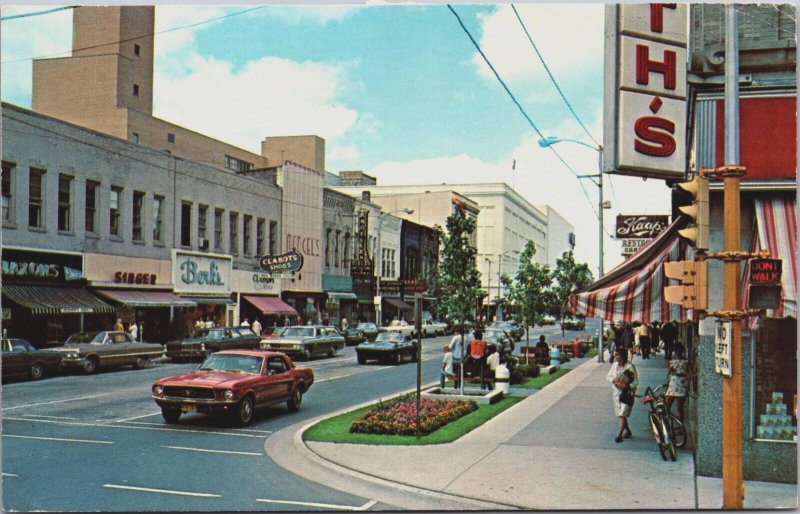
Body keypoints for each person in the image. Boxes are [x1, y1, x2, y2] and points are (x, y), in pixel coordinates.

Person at [606, 349, 638, 443]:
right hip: (616, 393)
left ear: (622, 356)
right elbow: (608, 376)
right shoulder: (615, 366)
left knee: (622, 413)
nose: (615, 356)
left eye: (617, 354)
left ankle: (619, 435)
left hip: (626, 394)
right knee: (621, 414)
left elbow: (636, 381)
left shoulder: (630, 367)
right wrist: (614, 381)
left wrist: (627, 386)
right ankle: (627, 431)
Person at [665, 345, 688, 423]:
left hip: (674, 383)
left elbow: (669, 372)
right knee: (679, 408)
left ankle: (668, 422)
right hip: (681, 384)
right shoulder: (686, 361)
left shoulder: (672, 362)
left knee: (667, 406)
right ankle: (680, 424)